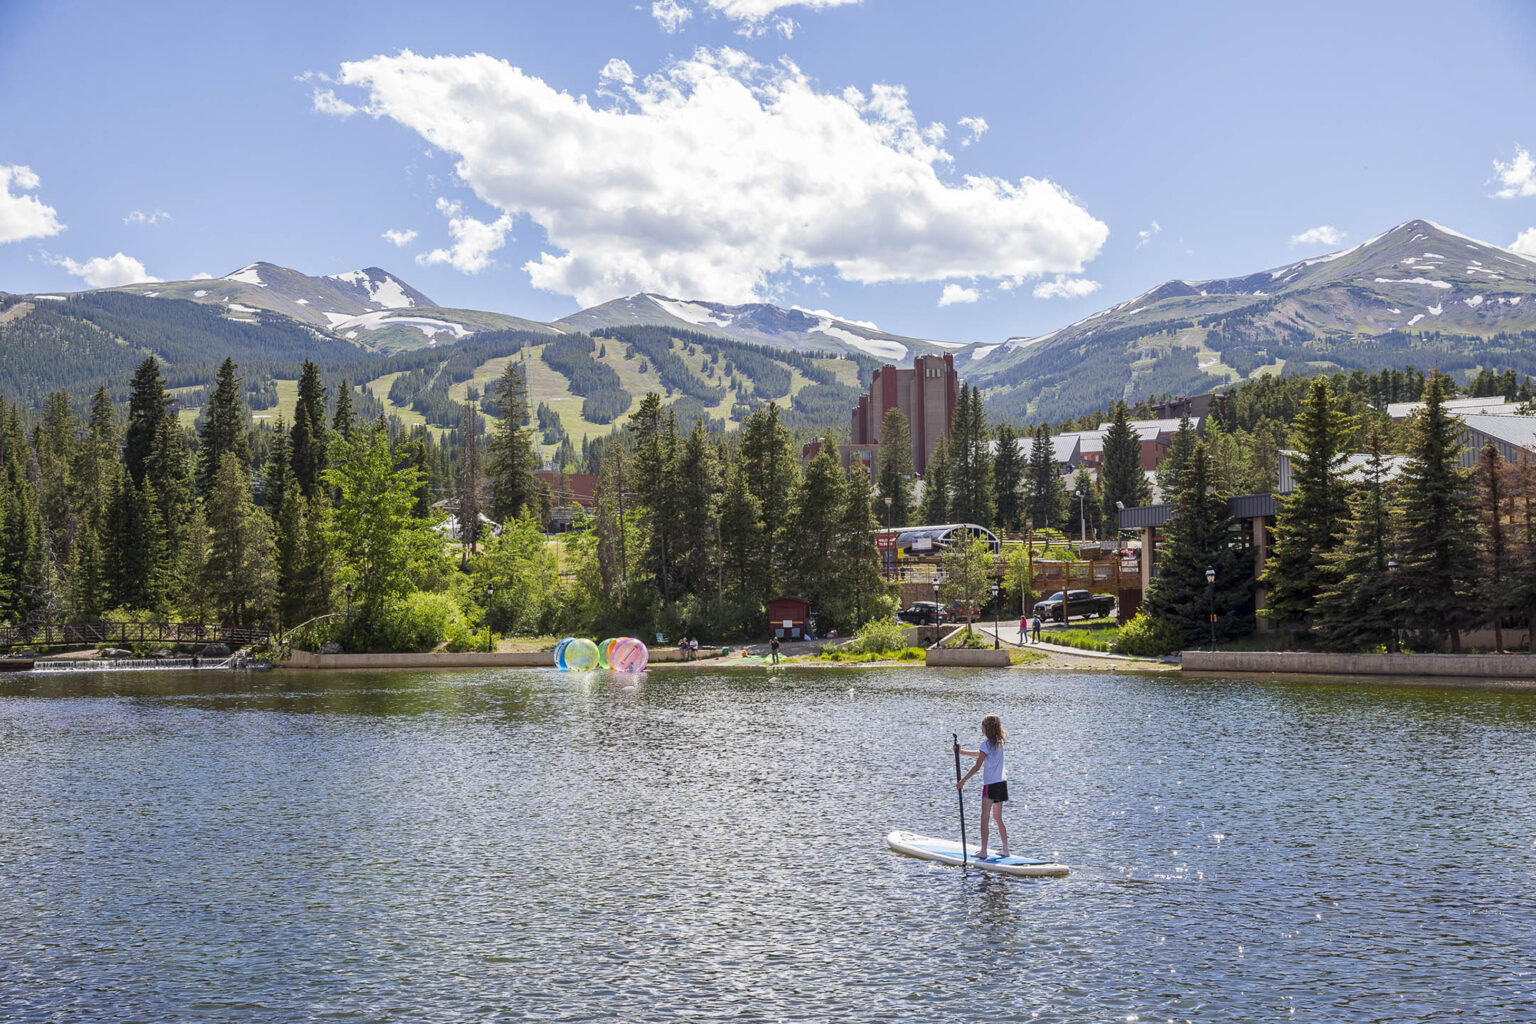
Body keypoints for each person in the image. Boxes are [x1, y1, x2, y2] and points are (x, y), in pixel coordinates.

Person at [955, 715, 1009, 860]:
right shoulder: (999, 742)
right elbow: (981, 755)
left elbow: (977, 765)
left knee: (984, 819)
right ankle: (1005, 850)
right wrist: (961, 752)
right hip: (1001, 784)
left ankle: (983, 851)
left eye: (982, 726)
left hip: (990, 785)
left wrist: (963, 781)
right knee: (998, 818)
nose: (981, 729)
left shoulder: (986, 745)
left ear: (986, 729)